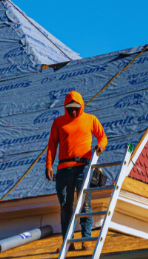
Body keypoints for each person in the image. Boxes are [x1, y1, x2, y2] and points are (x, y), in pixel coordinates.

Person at [45, 90, 107, 244]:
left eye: (76, 107)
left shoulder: (90, 119)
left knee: (84, 202)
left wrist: (100, 146)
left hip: (83, 167)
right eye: (70, 107)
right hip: (64, 168)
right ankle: (68, 242)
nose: (73, 110)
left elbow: (103, 136)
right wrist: (49, 165)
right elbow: (52, 144)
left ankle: (86, 238)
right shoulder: (59, 122)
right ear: (65, 107)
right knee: (65, 205)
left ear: (81, 106)